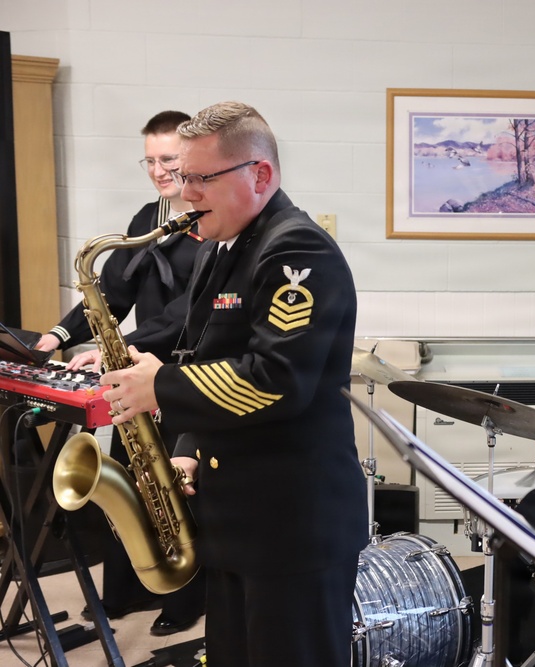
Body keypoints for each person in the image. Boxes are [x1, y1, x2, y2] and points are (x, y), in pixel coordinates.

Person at [101, 101, 367, 667]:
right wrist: (190, 450)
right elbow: (208, 355)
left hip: (292, 528)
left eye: (198, 178)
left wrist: (161, 387)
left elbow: (275, 380)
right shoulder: (219, 249)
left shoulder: (298, 251)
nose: (183, 193)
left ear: (260, 175)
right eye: (180, 178)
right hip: (234, 521)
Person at [35, 110, 207, 635]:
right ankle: (125, 592)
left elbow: (190, 312)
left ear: (194, 158)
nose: (158, 170)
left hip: (187, 374)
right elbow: (112, 290)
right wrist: (58, 337)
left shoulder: (212, 221)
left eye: (169, 159)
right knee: (129, 486)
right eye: (150, 160)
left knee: (178, 493)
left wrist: (122, 345)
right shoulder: (144, 218)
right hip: (135, 372)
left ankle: (184, 603)